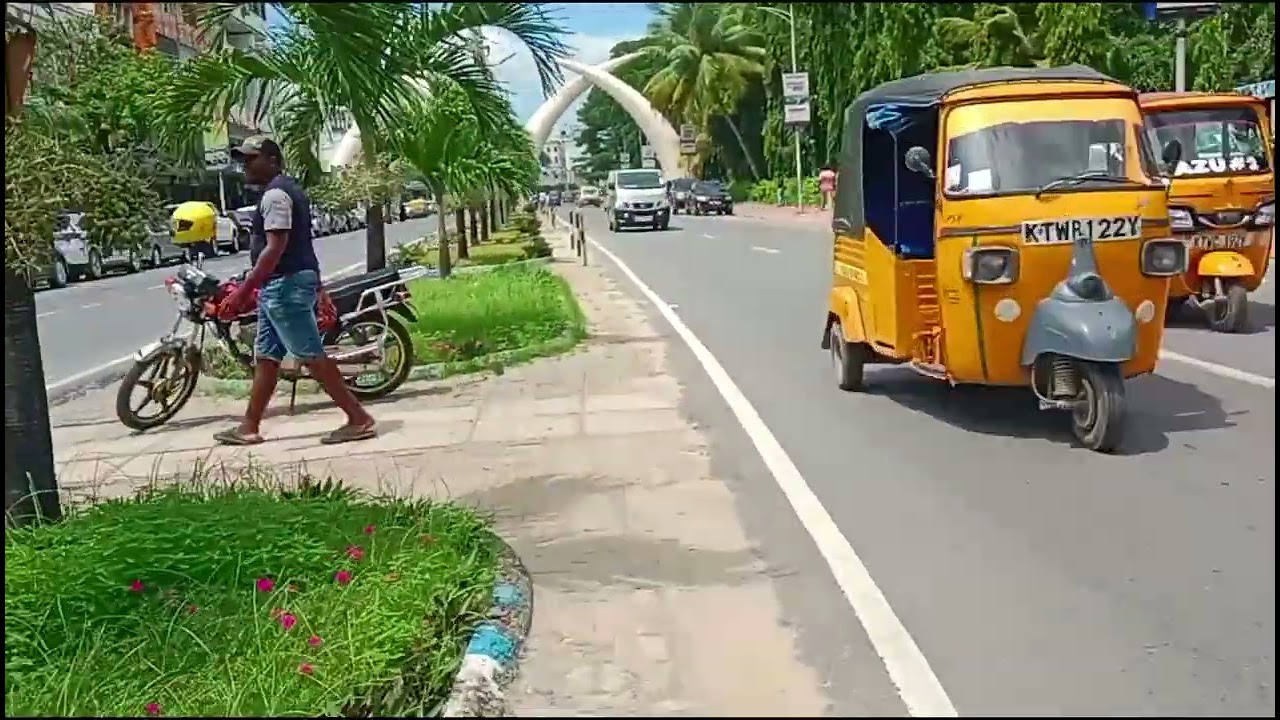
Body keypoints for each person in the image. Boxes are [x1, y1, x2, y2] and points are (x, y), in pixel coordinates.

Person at [212, 135, 377, 446]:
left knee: (311, 356)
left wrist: (244, 291)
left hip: (283, 286)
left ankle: (359, 418)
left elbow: (275, 248)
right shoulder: (286, 190)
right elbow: (304, 246)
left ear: (272, 160)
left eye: (252, 159)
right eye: (243, 160)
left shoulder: (275, 196)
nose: (245, 166)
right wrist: (317, 285)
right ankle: (248, 426)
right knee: (266, 357)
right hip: (279, 286)